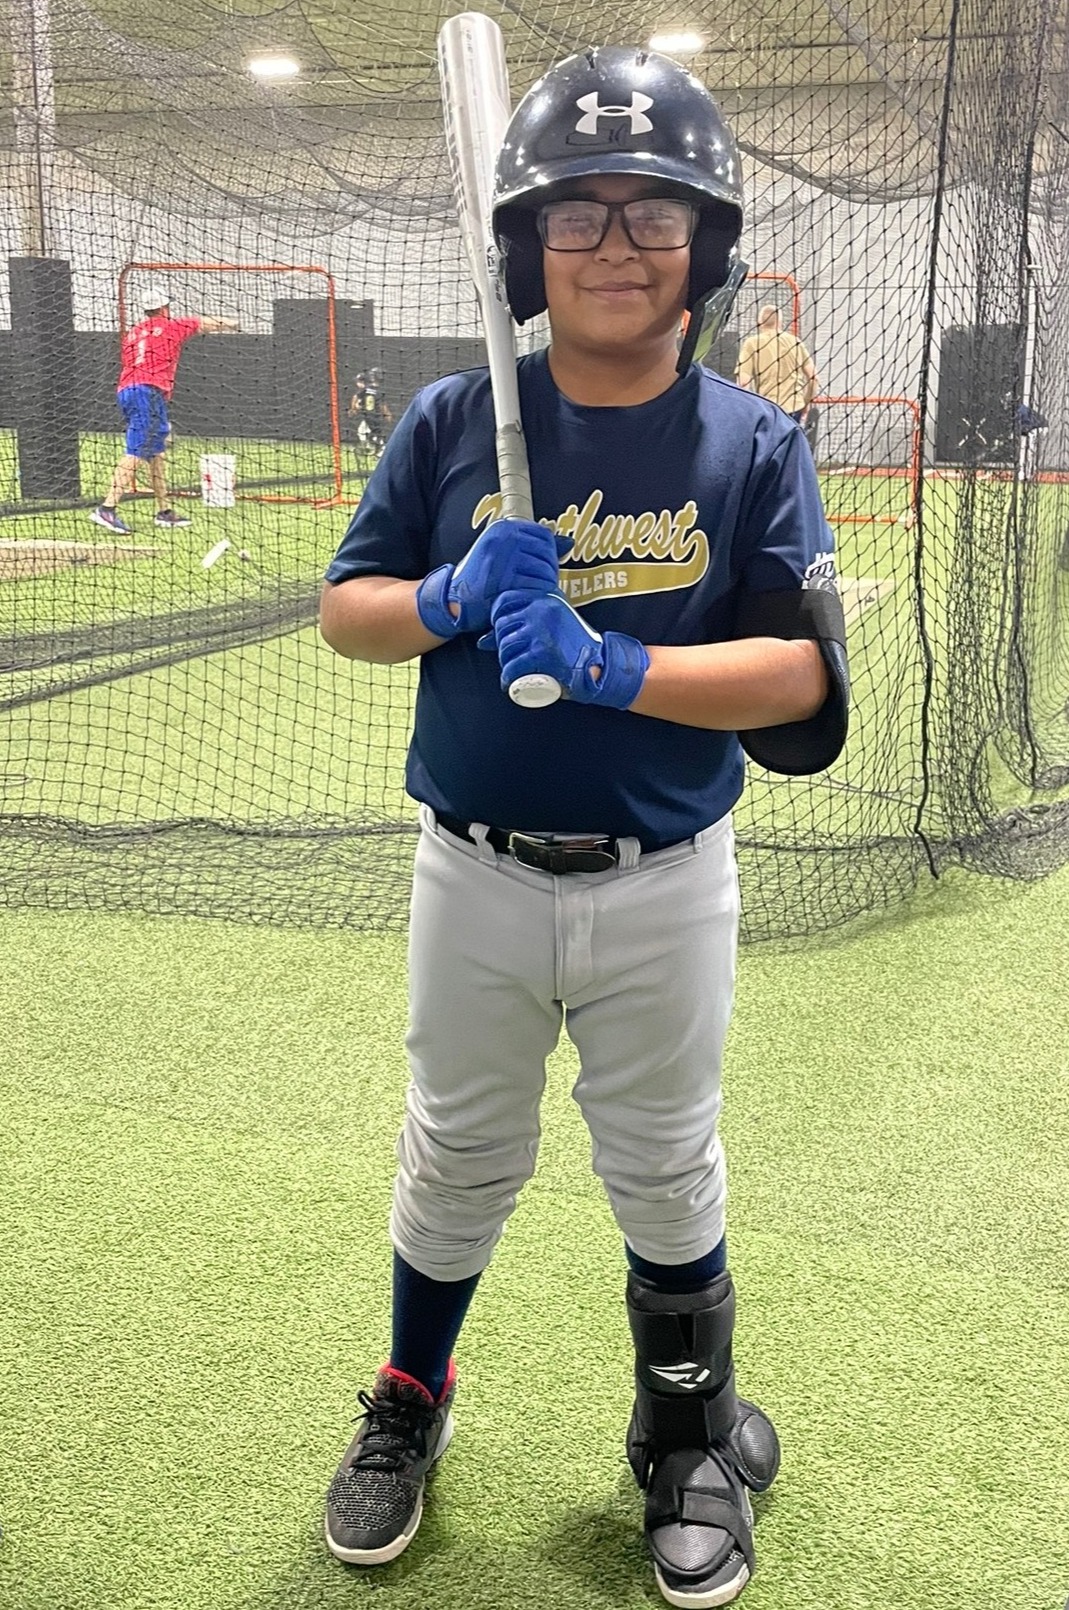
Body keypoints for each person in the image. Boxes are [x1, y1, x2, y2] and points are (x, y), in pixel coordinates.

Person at [319, 44, 848, 1609]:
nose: (614, 246)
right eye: (576, 214)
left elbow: (798, 673)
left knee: (665, 1161)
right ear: (525, 246)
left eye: (652, 213)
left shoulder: (749, 441)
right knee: (455, 1151)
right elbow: (347, 611)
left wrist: (612, 665)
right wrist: (444, 594)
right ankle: (411, 1395)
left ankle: (681, 1432)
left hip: (664, 878)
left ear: (705, 245)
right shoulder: (448, 423)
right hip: (474, 871)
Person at [91, 288, 239, 535]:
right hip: (146, 392)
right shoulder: (172, 327)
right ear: (164, 308)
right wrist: (234, 323)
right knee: (136, 451)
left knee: (155, 452)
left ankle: (164, 511)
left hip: (130, 390)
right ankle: (107, 508)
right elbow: (205, 323)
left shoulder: (134, 332)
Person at [735, 303, 819, 423]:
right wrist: (805, 403)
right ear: (780, 323)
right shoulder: (795, 342)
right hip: (794, 408)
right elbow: (813, 377)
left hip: (768, 409)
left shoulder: (752, 344)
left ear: (759, 322)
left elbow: (743, 383)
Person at [348, 366, 394, 457]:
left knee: (370, 433)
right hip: (375, 415)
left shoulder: (367, 389)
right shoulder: (379, 391)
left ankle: (379, 450)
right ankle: (376, 449)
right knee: (370, 432)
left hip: (368, 415)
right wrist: (387, 414)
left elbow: (356, 397)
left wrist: (353, 408)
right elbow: (382, 405)